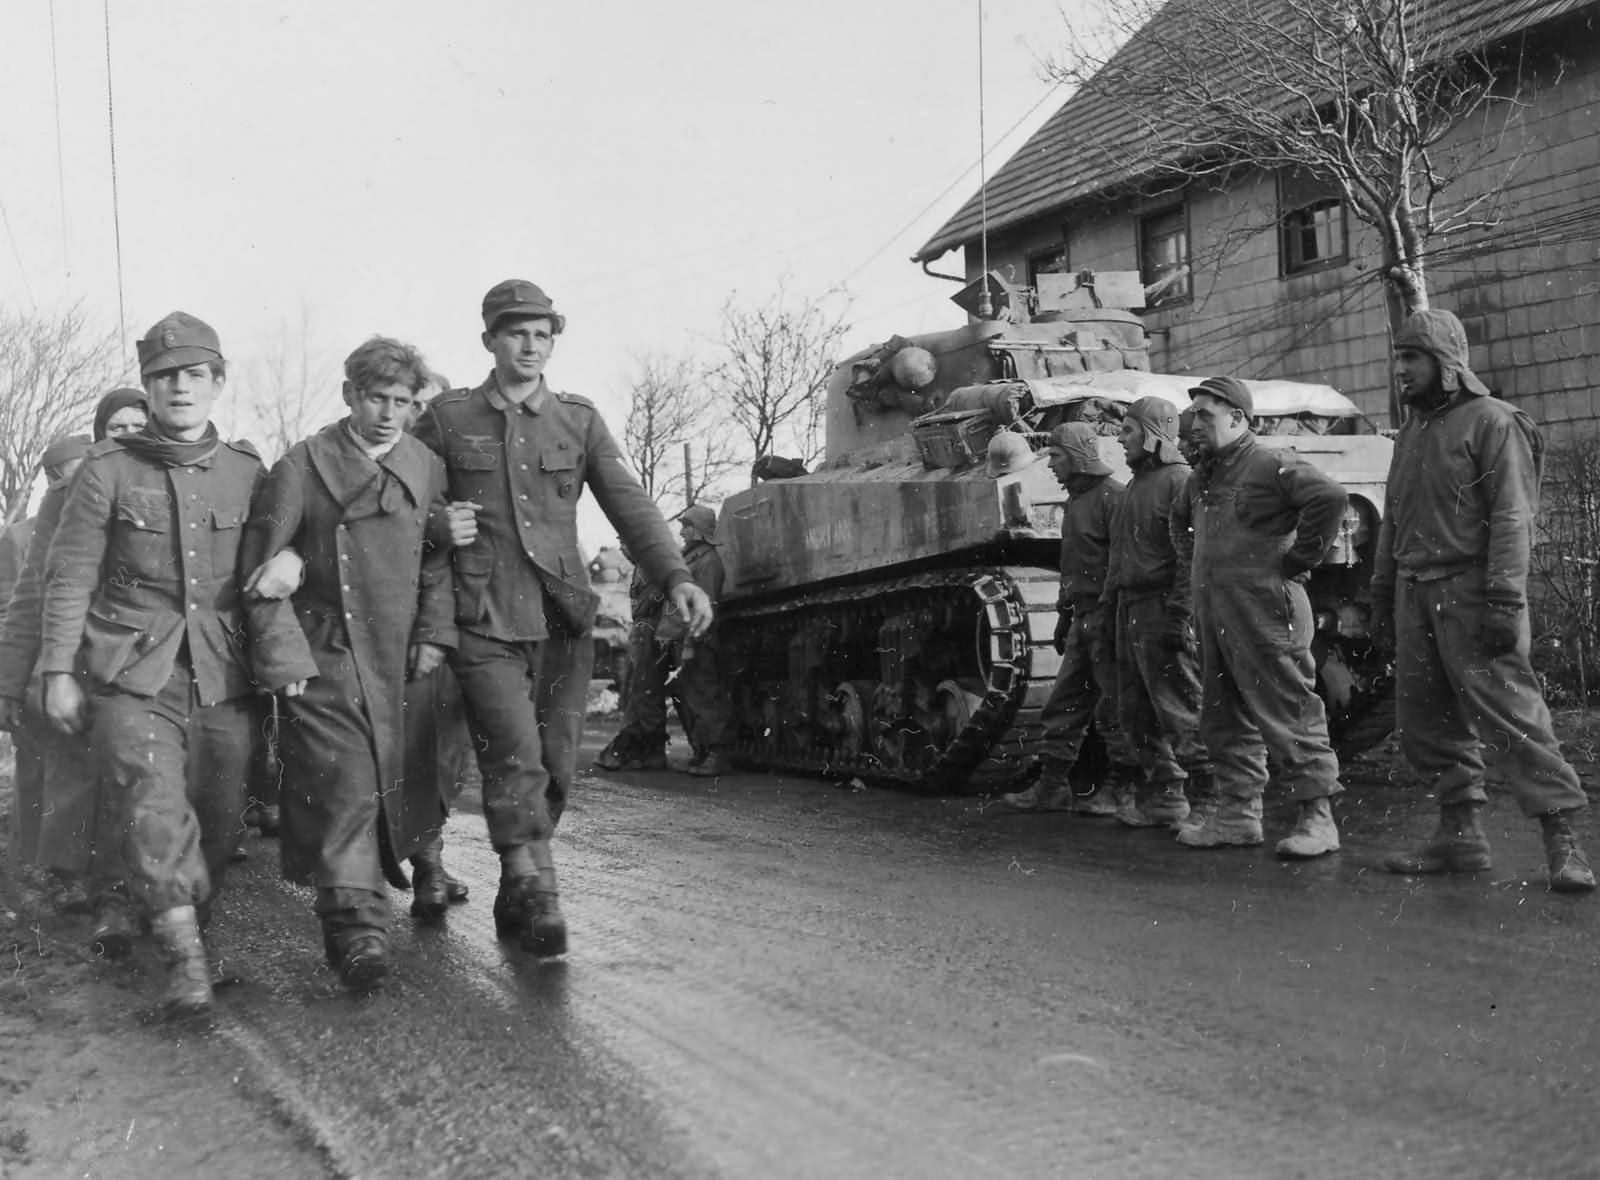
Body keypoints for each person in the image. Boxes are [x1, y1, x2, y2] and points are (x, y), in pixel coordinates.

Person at [412, 279, 711, 957]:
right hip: (481, 615)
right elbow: (400, 497)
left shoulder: (577, 419)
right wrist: (436, 524)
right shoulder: (449, 418)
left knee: (555, 761)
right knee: (513, 752)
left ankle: (516, 883)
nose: (531, 345)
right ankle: (535, 884)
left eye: (543, 333)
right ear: (489, 339)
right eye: (517, 332)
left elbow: (629, 505)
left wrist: (678, 576)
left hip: (562, 616)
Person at [34, 312, 314, 1017]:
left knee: (219, 819)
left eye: (194, 375)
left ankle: (185, 925)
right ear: (148, 388)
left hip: (224, 670)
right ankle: (187, 963)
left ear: (218, 383)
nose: (179, 388)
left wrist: (294, 558)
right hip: (130, 669)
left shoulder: (250, 473)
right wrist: (57, 671)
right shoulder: (106, 470)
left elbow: (292, 544)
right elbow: (68, 576)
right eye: (164, 378)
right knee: (152, 804)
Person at [241, 336, 456, 988]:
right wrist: (283, 656)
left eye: (403, 401)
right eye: (376, 398)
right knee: (345, 789)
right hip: (328, 650)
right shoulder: (302, 466)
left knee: (408, 779)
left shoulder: (424, 463)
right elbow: (258, 573)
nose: (390, 413)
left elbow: (435, 562)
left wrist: (436, 633)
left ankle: (412, 881)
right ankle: (356, 930)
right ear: (349, 396)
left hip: (403, 656)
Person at [1373, 310, 1594, 892]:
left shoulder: (1495, 423)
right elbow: (1393, 520)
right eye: (1398, 357)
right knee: (1425, 723)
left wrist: (1504, 599)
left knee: (1512, 718)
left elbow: (1513, 518)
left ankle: (1564, 844)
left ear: (1447, 365)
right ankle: (1460, 837)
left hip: (1473, 593)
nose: (1401, 369)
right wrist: (1380, 596)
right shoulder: (1411, 433)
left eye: (1412, 357)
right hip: (1415, 593)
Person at [1173, 376, 1347, 857]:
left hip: (1268, 611)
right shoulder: (1201, 477)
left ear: (1238, 418)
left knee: (1290, 711)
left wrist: (1297, 562)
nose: (1196, 424)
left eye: (1206, 416)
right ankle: (1238, 815)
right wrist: (1197, 570)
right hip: (1217, 612)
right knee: (1222, 715)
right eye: (1194, 417)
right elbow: (1179, 523)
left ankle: (1318, 818)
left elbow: (1329, 498)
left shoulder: (1270, 463)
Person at [1001, 422, 1136, 814]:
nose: (1051, 465)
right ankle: (1052, 785)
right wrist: (1062, 614)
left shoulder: (1114, 499)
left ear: (1077, 456)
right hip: (1082, 618)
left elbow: (1121, 562)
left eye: (1057, 456)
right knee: (1064, 704)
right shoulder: (1077, 501)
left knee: (1114, 707)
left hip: (1106, 617)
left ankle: (1121, 787)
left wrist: (1109, 615)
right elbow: (1072, 563)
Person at [1100, 396, 1210, 828]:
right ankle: (1166, 794)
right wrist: (1111, 605)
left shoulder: (1179, 481)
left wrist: (1181, 612)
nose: (1120, 438)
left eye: (1128, 430)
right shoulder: (1133, 487)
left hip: (1163, 607)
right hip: (1131, 609)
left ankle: (1209, 798)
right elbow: (1118, 555)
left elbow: (1192, 555)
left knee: (1181, 706)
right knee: (1136, 710)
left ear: (1152, 433)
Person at [0, 435, 93, 894]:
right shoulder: (21, 535)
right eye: (64, 473)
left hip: (92, 657)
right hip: (41, 661)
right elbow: (12, 605)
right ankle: (39, 862)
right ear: (51, 480)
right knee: (41, 766)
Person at [658, 504, 735, 776]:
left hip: (698, 639)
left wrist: (691, 643)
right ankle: (703, 752)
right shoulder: (692, 558)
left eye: (686, 525)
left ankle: (716, 754)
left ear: (699, 530)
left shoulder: (707, 560)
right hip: (684, 638)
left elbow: (705, 605)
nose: (682, 531)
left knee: (705, 695)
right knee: (692, 696)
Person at [594, 544, 672, 771]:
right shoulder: (641, 567)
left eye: (626, 542)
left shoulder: (651, 566)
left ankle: (633, 749)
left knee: (644, 693)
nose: (622, 547)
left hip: (649, 631)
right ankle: (652, 753)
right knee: (640, 693)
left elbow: (655, 595)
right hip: (641, 631)